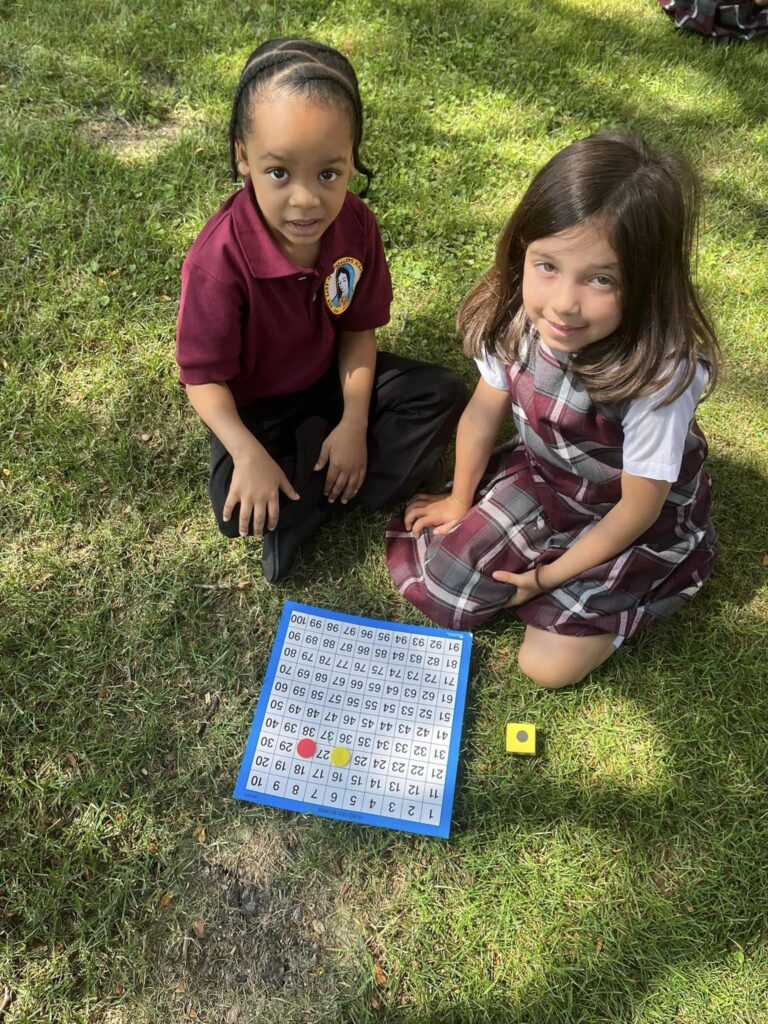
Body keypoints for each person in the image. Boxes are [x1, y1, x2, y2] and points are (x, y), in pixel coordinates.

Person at [386, 132, 720, 689]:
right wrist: (460, 499)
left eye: (601, 279)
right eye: (547, 265)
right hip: (550, 480)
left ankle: (634, 591)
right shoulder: (518, 319)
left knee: (545, 668)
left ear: (647, 284)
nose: (565, 303)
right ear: (523, 249)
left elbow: (637, 511)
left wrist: (546, 579)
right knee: (446, 585)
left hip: (634, 520)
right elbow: (482, 414)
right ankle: (547, 566)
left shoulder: (659, 376)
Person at [176, 39, 466, 581]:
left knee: (441, 392)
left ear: (352, 158)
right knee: (234, 506)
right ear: (243, 156)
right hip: (257, 410)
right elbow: (203, 378)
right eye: (279, 173)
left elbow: (357, 331)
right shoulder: (217, 261)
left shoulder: (356, 225)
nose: (306, 200)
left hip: (332, 383)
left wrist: (354, 423)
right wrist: (246, 452)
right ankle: (330, 484)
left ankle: (311, 501)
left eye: (328, 174)